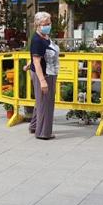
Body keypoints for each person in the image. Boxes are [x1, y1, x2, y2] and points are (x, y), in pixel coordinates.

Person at [29, 11, 59, 140]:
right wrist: (42, 81)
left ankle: (35, 125)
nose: (48, 25)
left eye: (49, 23)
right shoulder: (37, 40)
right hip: (45, 74)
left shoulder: (45, 37)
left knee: (41, 101)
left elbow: (36, 56)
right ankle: (43, 133)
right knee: (46, 103)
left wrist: (27, 65)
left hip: (49, 71)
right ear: (38, 25)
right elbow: (36, 60)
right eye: (45, 24)